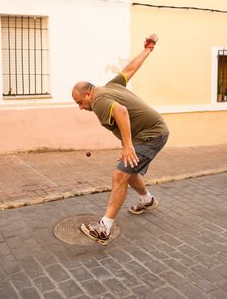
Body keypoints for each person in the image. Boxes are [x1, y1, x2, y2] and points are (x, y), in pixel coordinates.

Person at [72, 34, 169, 245]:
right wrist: (148, 49)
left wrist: (127, 146)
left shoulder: (98, 101)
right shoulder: (110, 86)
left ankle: (104, 228)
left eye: (80, 102)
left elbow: (121, 111)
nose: (80, 107)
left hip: (151, 134)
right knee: (129, 171)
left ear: (88, 94)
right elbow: (129, 69)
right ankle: (147, 200)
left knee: (119, 174)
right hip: (150, 132)